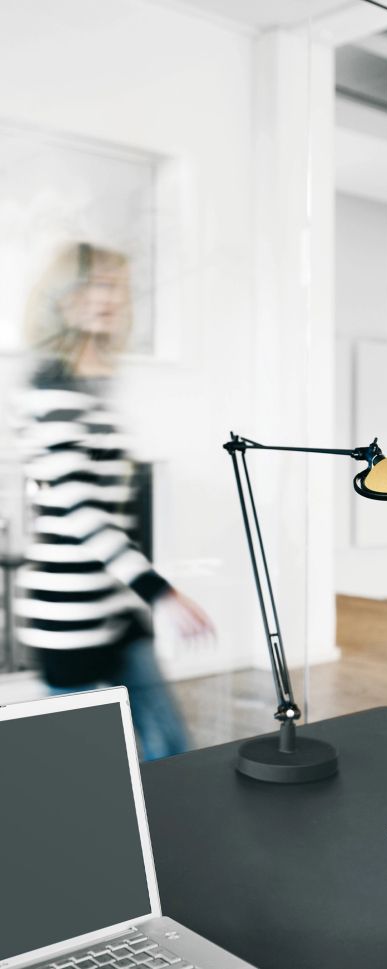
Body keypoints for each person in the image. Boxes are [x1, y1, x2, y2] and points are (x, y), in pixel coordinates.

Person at [14, 241, 213, 759]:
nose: (108, 298)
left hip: (115, 605)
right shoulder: (51, 390)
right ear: (62, 298)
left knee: (170, 751)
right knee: (95, 769)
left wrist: (139, 593)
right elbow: (80, 512)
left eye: (115, 287)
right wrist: (160, 592)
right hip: (69, 612)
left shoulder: (90, 389)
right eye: (93, 285)